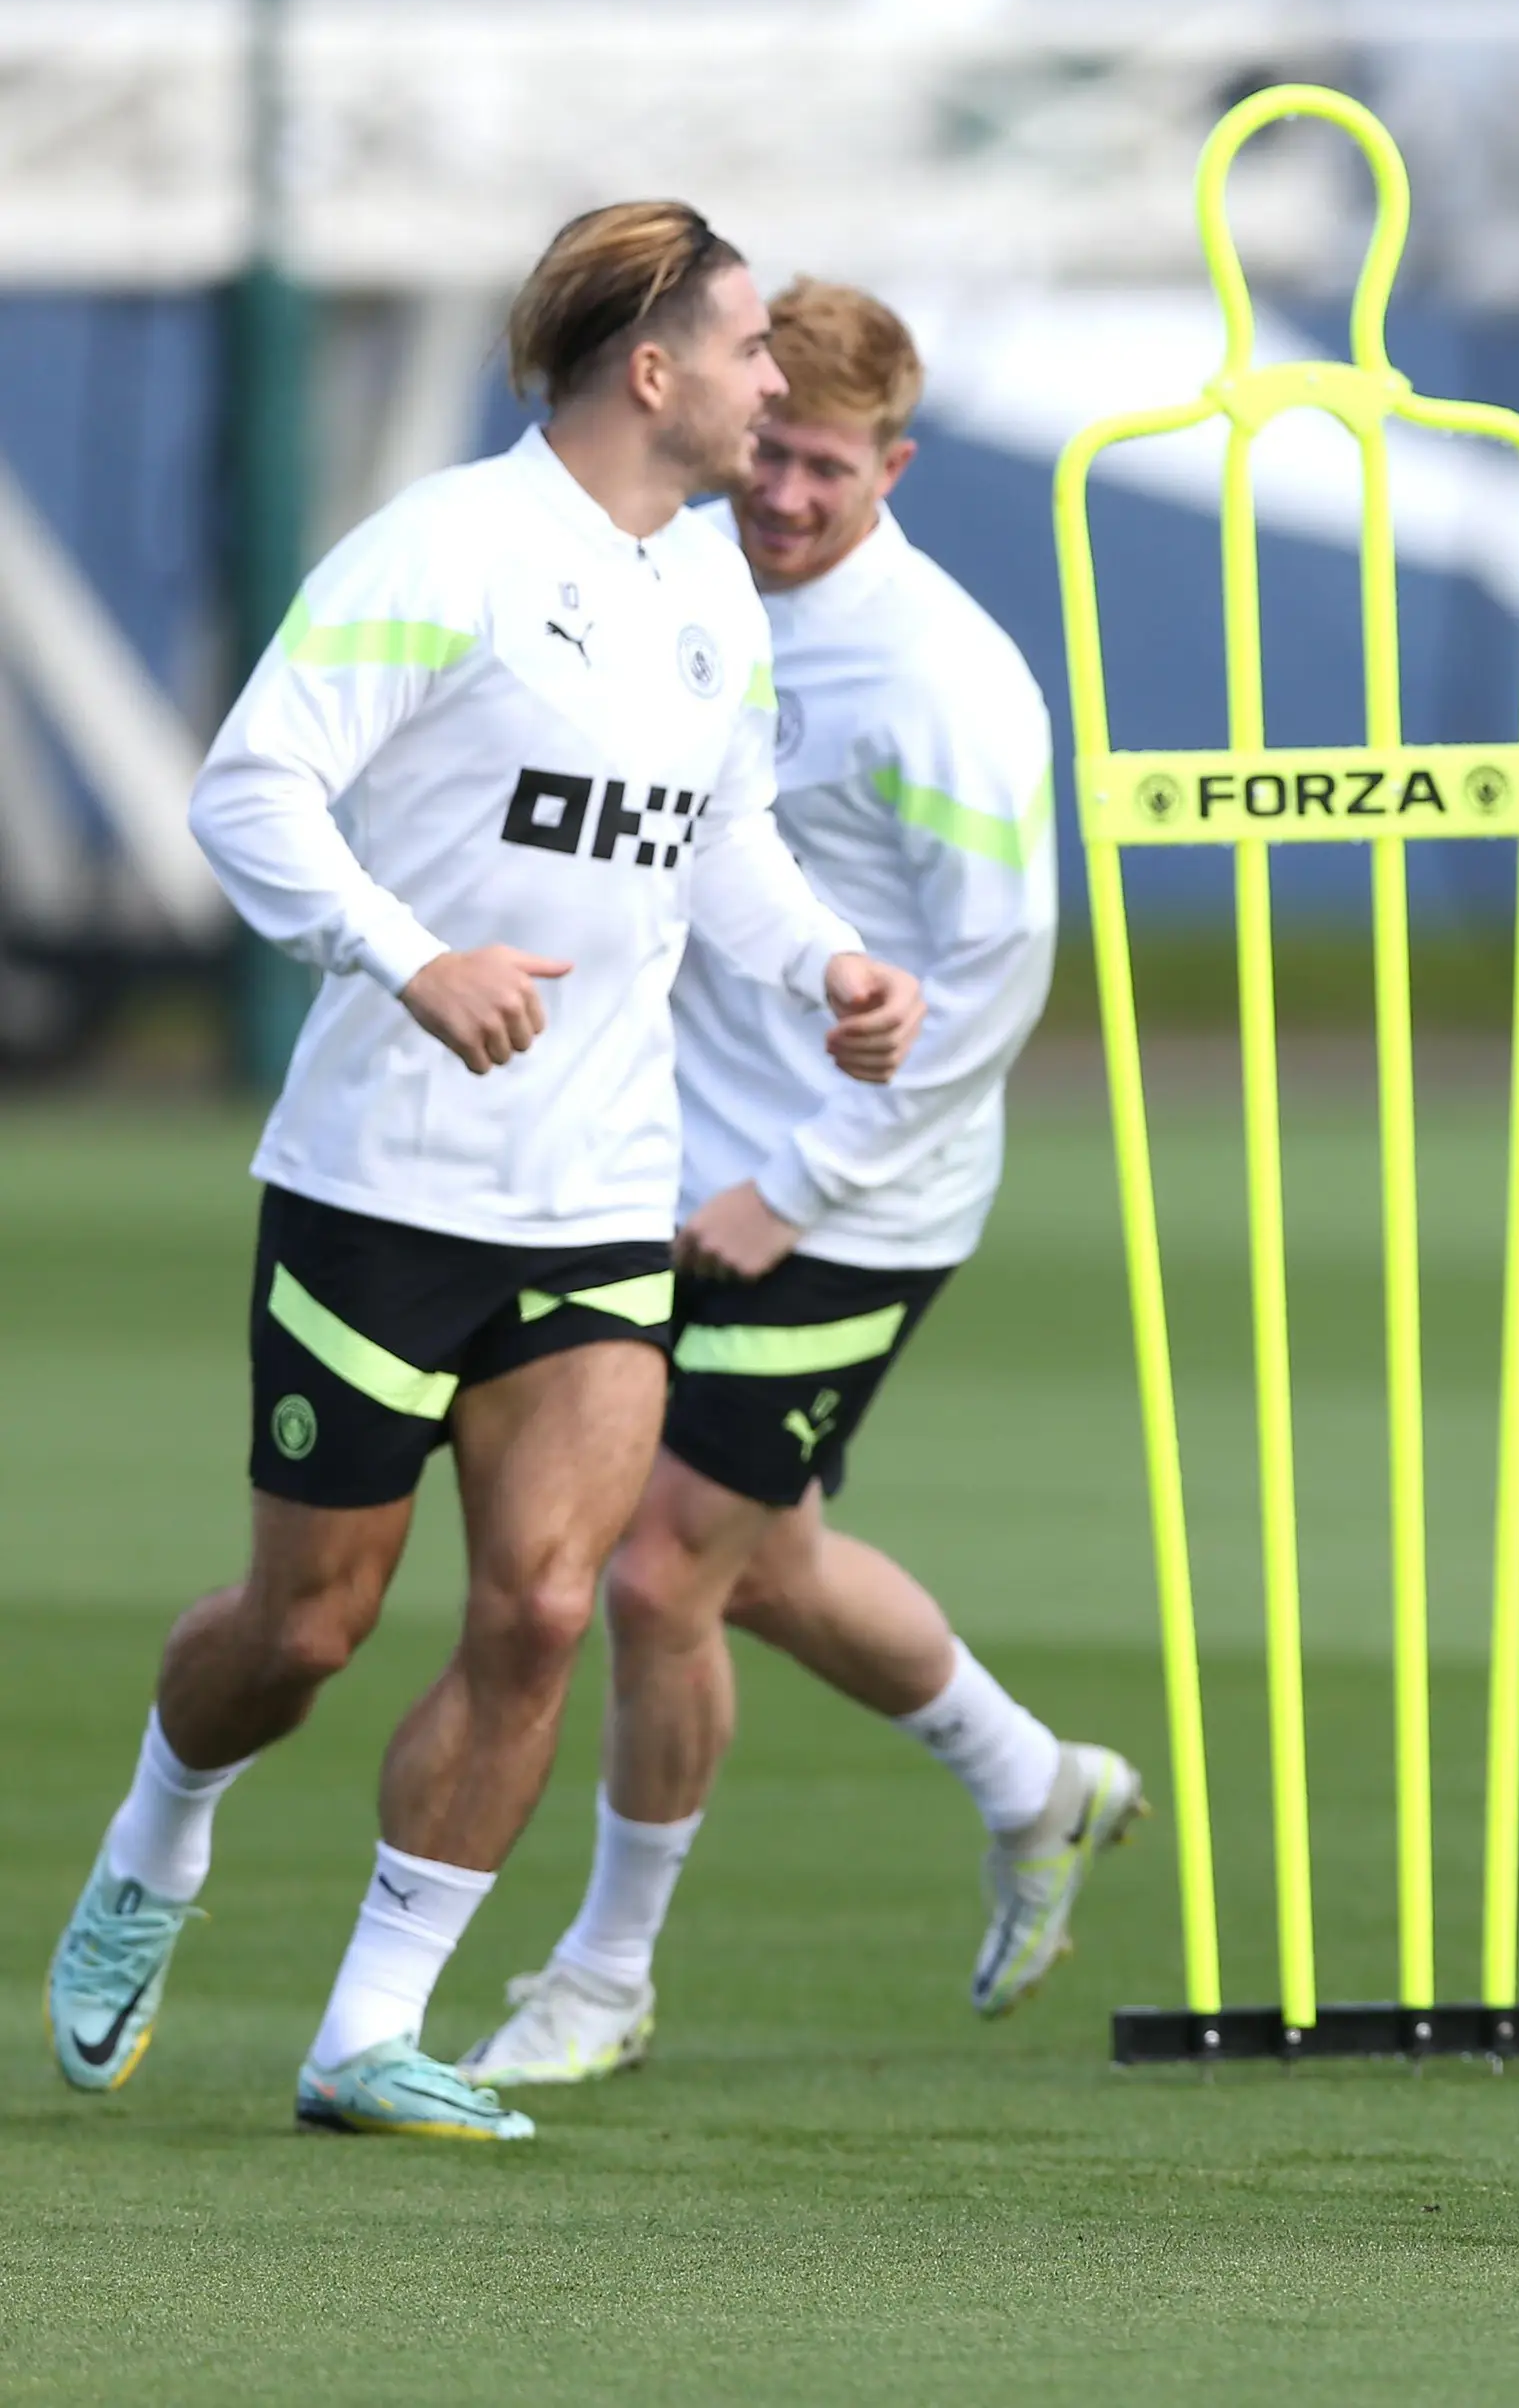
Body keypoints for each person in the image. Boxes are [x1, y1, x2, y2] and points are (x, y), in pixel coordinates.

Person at [45, 205, 925, 2141]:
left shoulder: (707, 589)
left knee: (541, 1602)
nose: (777, 388)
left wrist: (825, 964)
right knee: (305, 1629)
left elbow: (727, 839)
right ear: (653, 369)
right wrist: (409, 957)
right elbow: (247, 785)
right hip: (379, 1185)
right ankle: (154, 1838)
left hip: (602, 1193)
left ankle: (369, 2026)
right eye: (750, 347)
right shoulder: (443, 548)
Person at [461, 281, 1133, 2093]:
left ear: (893, 466)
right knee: (765, 1567)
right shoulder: (679, 583)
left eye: (824, 469)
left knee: (661, 1572)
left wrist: (804, 1182)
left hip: (854, 1198)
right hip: (659, 1164)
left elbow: (997, 983)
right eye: (764, 454)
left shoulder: (942, 679)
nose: (779, 495)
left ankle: (602, 1975)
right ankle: (1036, 1785)